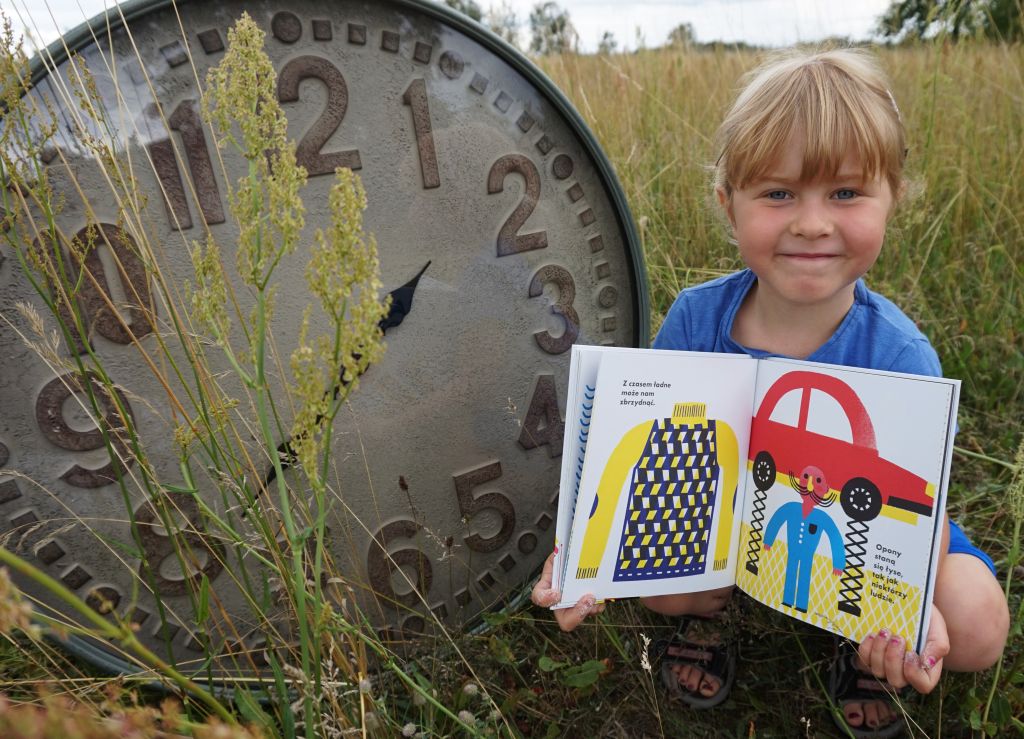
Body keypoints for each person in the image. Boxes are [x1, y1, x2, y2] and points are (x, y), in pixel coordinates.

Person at [531, 47, 1009, 736]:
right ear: (729, 204)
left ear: (892, 199)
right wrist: (584, 557)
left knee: (977, 622)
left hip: (866, 549)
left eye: (845, 194)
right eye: (778, 193)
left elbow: (916, 513)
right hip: (725, 533)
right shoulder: (698, 317)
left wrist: (908, 606)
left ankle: (861, 643)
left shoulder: (902, 353)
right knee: (661, 589)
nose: (812, 222)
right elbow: (640, 452)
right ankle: (709, 611)